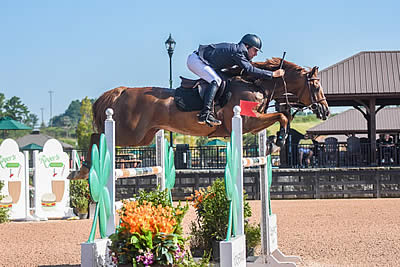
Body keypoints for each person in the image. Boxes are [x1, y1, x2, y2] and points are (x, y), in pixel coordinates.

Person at [187, 34, 285, 127]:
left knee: (224, 80)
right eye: (255, 50)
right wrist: (273, 74)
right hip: (196, 61)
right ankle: (205, 113)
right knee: (216, 80)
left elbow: (249, 69)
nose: (256, 54)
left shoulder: (240, 52)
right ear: (247, 46)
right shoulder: (238, 51)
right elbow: (250, 70)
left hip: (205, 62)